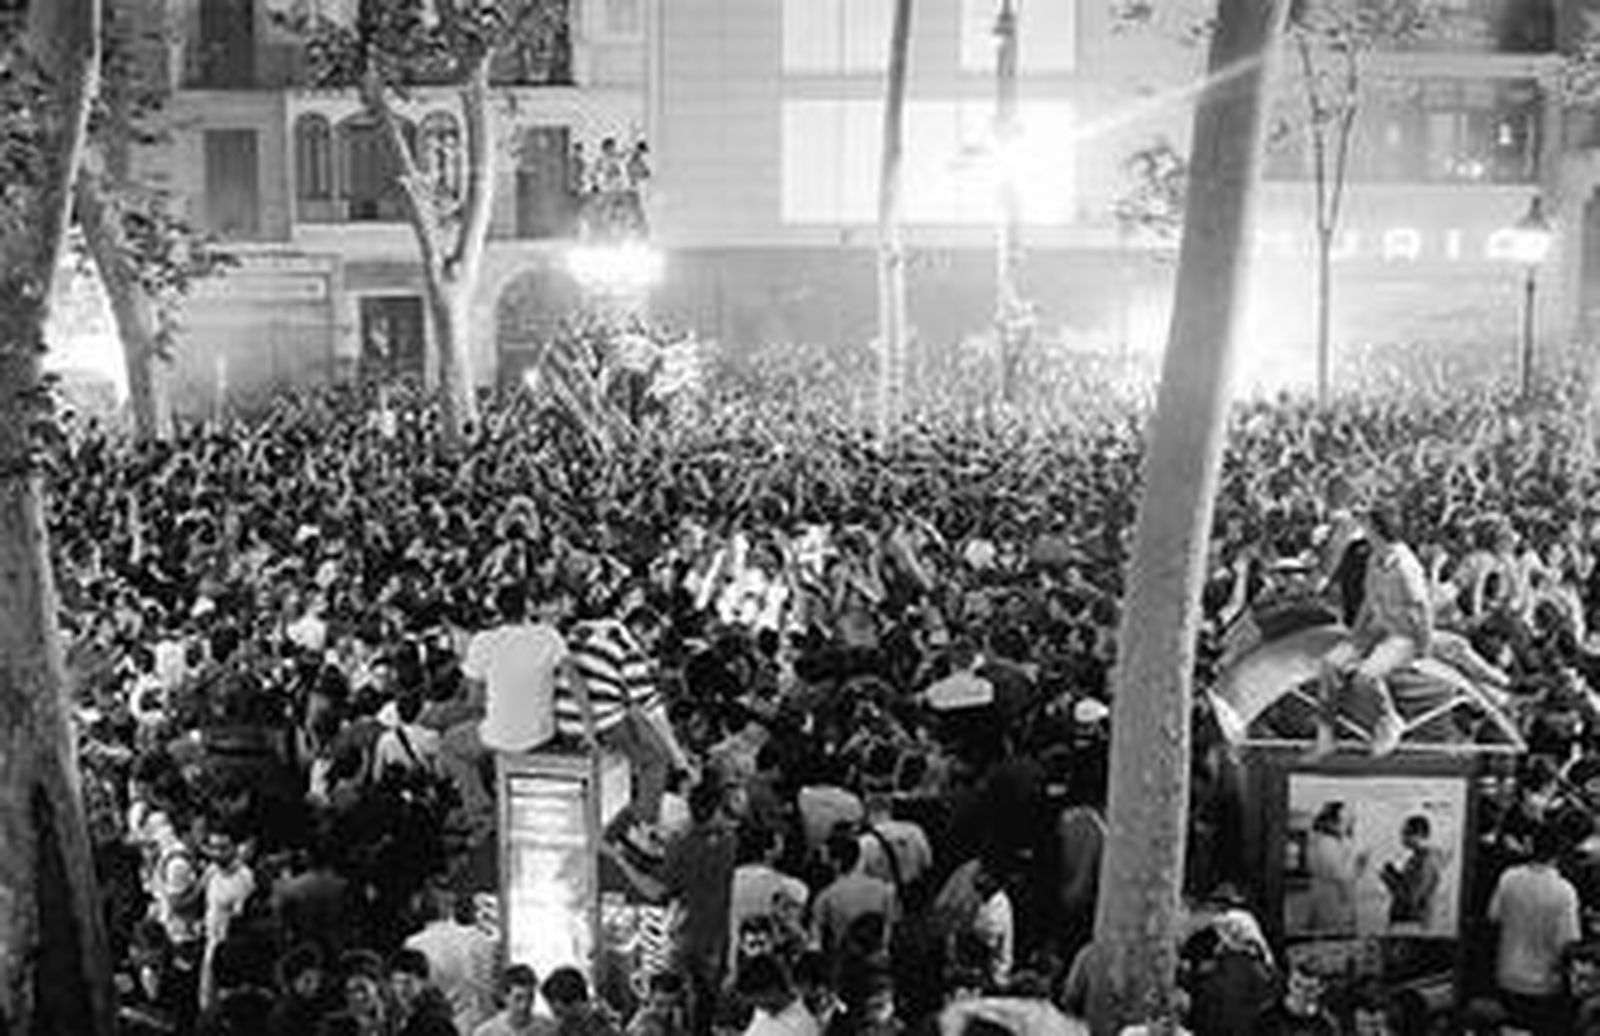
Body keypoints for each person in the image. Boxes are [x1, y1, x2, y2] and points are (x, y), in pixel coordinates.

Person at [1313, 505, 1430, 758]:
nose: (1362, 529)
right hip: (1378, 626)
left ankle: (1389, 721)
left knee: (1364, 677)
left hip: (1403, 634)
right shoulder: (1374, 557)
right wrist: (1355, 635)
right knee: (1329, 664)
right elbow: (1368, 598)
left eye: (1366, 525)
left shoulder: (1405, 565)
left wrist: (1423, 644)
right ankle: (1326, 734)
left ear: (1377, 530)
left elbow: (1421, 608)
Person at [1488, 823, 1581, 1036]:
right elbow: (1569, 942)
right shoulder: (1565, 891)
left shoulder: (1508, 877)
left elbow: (1493, 916)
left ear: (1530, 846)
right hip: (1544, 984)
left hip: (1507, 974)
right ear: (1558, 855)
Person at [405, 886, 499, 1036]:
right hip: (473, 1025)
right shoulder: (476, 939)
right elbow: (486, 992)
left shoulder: (413, 944)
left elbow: (412, 994)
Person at [1303, 802, 1365, 935]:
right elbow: (1342, 876)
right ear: (1331, 821)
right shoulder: (1326, 844)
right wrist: (1359, 863)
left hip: (1336, 901)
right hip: (1332, 905)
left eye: (1351, 820)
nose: (1348, 824)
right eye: (1345, 820)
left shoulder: (1332, 842)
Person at [1379, 814, 1441, 929]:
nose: (1402, 838)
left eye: (1407, 833)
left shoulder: (1426, 861)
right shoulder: (1417, 858)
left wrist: (1388, 878)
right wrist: (1395, 874)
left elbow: (1410, 898)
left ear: (1420, 835)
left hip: (1412, 923)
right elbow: (1409, 885)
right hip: (1409, 921)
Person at [1252, 957, 1339, 1036]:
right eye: (1297, 985)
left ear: (1321, 989)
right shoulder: (1268, 1017)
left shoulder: (1327, 1025)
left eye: (1309, 989)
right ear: (1289, 982)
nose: (1300, 994)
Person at [735, 955, 819, 1036]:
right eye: (756, 1002)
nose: (761, 1004)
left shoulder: (803, 1023)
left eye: (762, 999)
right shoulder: (761, 1013)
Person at [388, 948, 460, 1036]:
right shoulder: (394, 1018)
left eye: (408, 982)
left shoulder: (435, 1023)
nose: (403, 990)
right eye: (398, 982)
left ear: (424, 982)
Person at [474, 965, 554, 1036]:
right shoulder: (486, 1033)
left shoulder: (547, 1028)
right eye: (518, 998)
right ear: (504, 997)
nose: (525, 1005)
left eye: (530, 998)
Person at [542, 967, 622, 1036]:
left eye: (559, 1013)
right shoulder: (563, 1029)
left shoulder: (605, 1026)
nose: (558, 1020)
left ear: (576, 1001)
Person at [625, 971, 689, 1036]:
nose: (666, 1011)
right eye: (660, 1005)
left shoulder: (678, 1019)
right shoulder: (643, 1021)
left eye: (673, 1005)